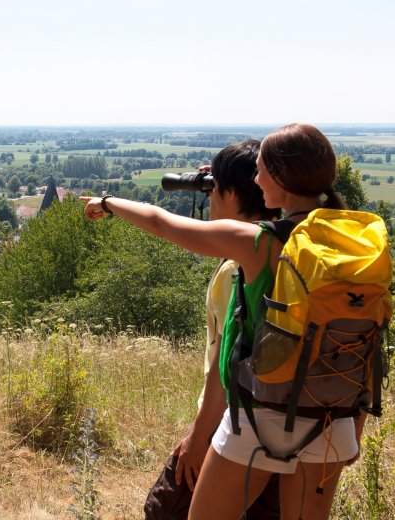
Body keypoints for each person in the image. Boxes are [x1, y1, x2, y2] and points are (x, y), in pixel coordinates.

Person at [81, 124, 365, 520]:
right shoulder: (356, 243)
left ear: (281, 178)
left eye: (261, 170)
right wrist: (356, 427)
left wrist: (109, 202)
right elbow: (363, 338)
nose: (256, 179)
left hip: (261, 416)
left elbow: (163, 223)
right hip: (333, 419)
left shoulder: (260, 242)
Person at [143, 140, 281, 520]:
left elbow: (226, 364)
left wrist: (199, 437)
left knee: (163, 510)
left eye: (215, 189)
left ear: (232, 193)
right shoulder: (293, 246)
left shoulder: (236, 268)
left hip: (237, 428)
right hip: (295, 426)